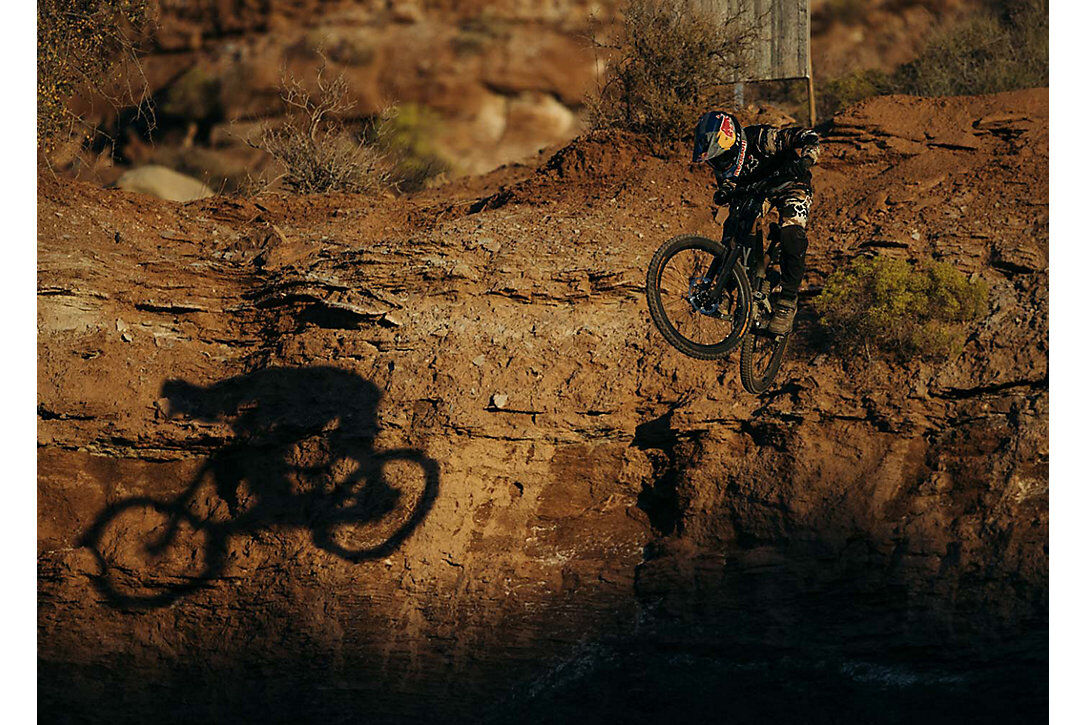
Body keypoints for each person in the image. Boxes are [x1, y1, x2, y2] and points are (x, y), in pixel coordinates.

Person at [692, 110, 821, 334]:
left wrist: (807, 158)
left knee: (791, 234)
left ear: (732, 143)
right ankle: (726, 288)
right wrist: (725, 193)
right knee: (735, 223)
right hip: (760, 191)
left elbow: (805, 136)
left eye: (721, 157)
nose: (719, 163)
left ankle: (787, 302)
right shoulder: (722, 165)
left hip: (792, 183)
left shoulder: (761, 139)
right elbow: (730, 187)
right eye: (715, 161)